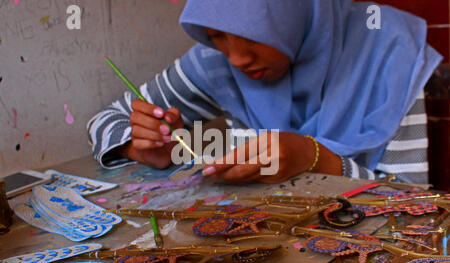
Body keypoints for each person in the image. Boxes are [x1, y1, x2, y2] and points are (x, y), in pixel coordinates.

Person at [87, 0, 442, 184]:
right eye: (217, 34)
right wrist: (142, 146)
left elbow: (412, 204)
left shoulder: (390, 54)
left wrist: (316, 159)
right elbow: (107, 120)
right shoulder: (215, 63)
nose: (238, 58)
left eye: (255, 32)